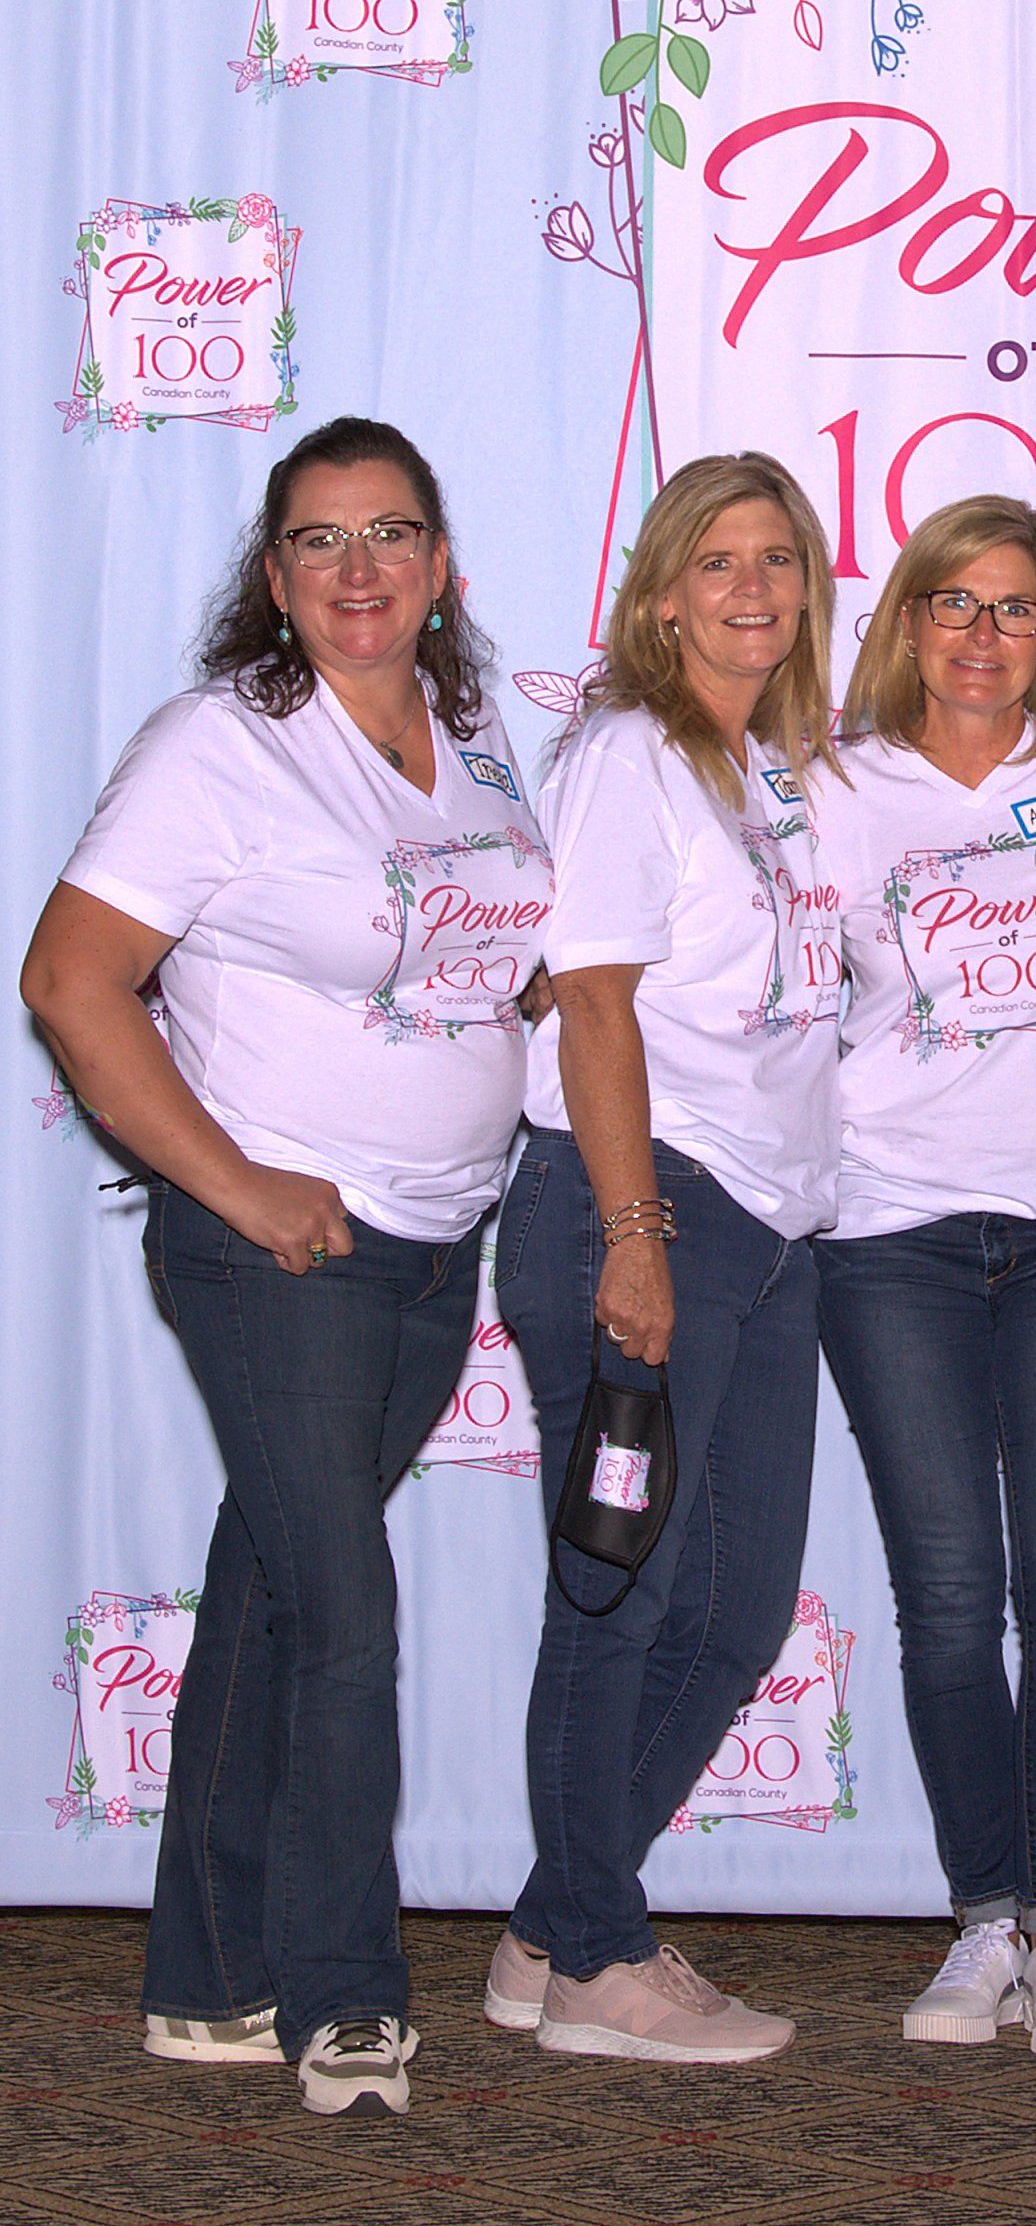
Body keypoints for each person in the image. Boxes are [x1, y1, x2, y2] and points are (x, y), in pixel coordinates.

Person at [21, 418, 551, 2118]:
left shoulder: (473, 753)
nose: (360, 569)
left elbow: (510, 979)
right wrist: (241, 1186)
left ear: (443, 564)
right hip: (282, 1258)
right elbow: (71, 979)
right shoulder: (222, 747)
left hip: (430, 1239)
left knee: (270, 1595)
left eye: (392, 532)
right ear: (274, 577)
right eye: (319, 541)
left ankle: (207, 1979)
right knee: (343, 1616)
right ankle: (345, 1999)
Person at [481, 452, 841, 2064]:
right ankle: (599, 1963)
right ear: (661, 592)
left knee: (739, 1611)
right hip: (646, 1212)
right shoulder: (632, 753)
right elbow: (597, 999)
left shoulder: (774, 772)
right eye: (717, 560)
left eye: (777, 560)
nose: (750, 588)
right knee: (616, 1602)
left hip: (772, 1231)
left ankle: (554, 1928)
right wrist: (634, 1237)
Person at [811, 495, 1036, 2055]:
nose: (982, 634)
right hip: (893, 1230)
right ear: (908, 623)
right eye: (953, 603)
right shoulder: (827, 787)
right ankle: (981, 1918)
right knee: (950, 1594)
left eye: (1015, 609)